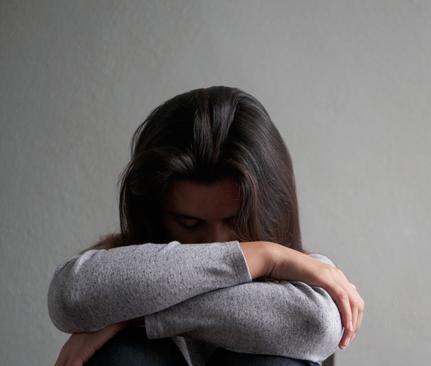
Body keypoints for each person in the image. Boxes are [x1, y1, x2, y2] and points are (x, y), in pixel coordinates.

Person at [47, 86, 364, 366]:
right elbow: (70, 296)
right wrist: (259, 256)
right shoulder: (125, 263)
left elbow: (316, 323)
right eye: (189, 223)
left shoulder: (307, 273)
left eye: (234, 222)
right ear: (155, 213)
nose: (215, 242)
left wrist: (127, 314)